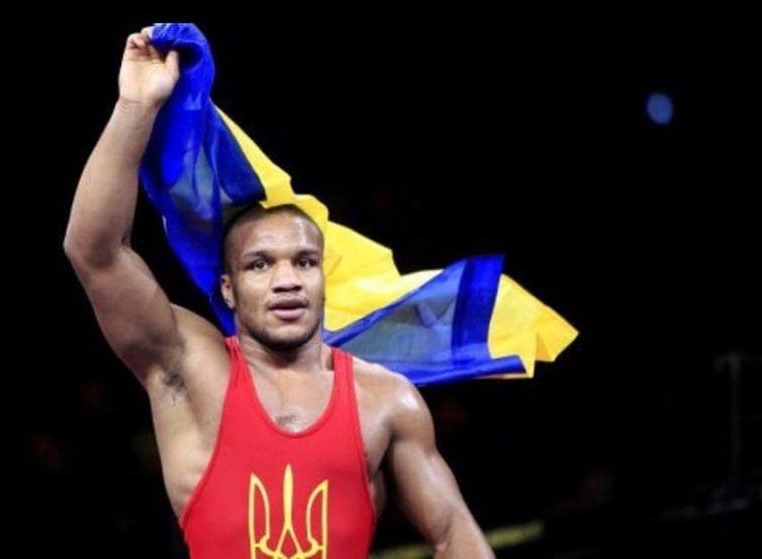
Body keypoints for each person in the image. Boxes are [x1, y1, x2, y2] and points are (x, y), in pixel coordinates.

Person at [63, 25, 495, 558]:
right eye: (260, 264)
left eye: (304, 262)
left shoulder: (387, 399)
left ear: (323, 279)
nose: (287, 279)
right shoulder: (188, 366)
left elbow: (455, 535)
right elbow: (95, 252)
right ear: (228, 288)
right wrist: (135, 106)